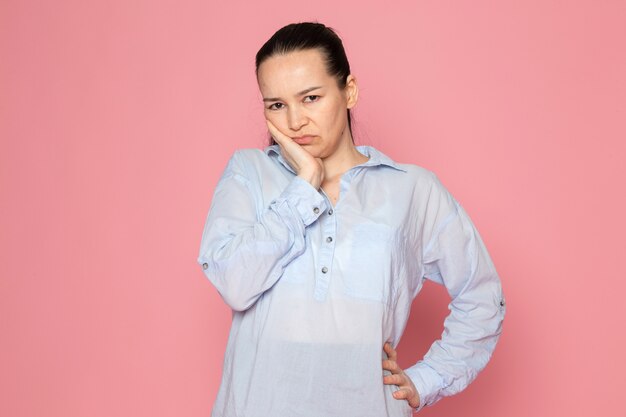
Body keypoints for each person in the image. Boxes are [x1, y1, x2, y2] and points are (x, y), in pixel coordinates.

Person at [197, 22, 506, 417]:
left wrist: (428, 378)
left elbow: (483, 297)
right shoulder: (248, 173)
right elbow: (235, 284)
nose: (294, 121)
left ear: (349, 91)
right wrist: (305, 185)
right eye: (276, 105)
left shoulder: (411, 189)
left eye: (310, 98)